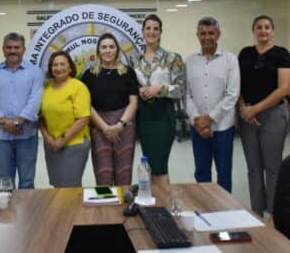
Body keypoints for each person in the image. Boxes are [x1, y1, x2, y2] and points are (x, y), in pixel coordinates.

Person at [238, 15, 290, 217]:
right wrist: (244, 108)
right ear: (253, 30)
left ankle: (274, 215)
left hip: (272, 115)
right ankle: (256, 213)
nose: (263, 31)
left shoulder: (281, 54)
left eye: (267, 27)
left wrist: (256, 109)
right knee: (253, 167)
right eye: (259, 27)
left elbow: (284, 89)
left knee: (272, 167)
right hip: (247, 116)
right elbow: (236, 84)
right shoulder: (245, 54)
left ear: (272, 30)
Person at [185, 17, 240, 192]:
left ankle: (224, 208)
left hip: (223, 127)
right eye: (203, 33)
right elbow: (187, 95)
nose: (207, 37)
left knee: (224, 174)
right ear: (197, 35)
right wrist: (198, 120)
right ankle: (204, 206)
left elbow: (232, 94)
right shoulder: (190, 61)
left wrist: (208, 119)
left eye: (211, 33)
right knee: (201, 174)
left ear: (218, 35)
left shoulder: (230, 60)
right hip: (198, 128)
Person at [130, 14, 184, 187]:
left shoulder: (172, 58)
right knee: (150, 166)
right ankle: (154, 200)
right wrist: (138, 90)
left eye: (155, 29)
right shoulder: (134, 58)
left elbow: (180, 89)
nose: (151, 32)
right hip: (143, 115)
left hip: (163, 115)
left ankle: (164, 202)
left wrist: (159, 89)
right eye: (148, 28)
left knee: (160, 166)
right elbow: (129, 86)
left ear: (161, 32)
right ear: (143, 31)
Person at [0, 32, 44, 189]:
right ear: (3, 49)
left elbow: (35, 101)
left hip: (27, 137)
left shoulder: (35, 72)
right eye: (9, 47)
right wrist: (5, 122)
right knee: (5, 183)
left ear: (23, 49)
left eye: (16, 47)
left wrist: (18, 122)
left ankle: (25, 207)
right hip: (1, 138)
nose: (13, 51)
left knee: (27, 182)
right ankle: (7, 207)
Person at [81, 33, 139, 186]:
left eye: (112, 47)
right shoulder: (89, 75)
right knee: (103, 173)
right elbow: (86, 105)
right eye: (104, 47)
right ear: (98, 51)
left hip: (124, 126)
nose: (108, 50)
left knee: (124, 172)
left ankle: (123, 201)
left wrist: (120, 125)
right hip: (99, 127)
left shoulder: (128, 72)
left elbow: (133, 102)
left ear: (117, 50)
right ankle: (105, 202)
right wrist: (105, 128)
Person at [39, 51, 91, 187]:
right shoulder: (46, 87)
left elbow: (83, 118)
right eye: (55, 65)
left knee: (70, 187)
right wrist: (48, 139)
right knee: (57, 185)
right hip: (51, 145)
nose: (58, 68)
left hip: (74, 144)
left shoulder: (78, 87)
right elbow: (40, 117)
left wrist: (62, 141)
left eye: (62, 64)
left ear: (70, 67)